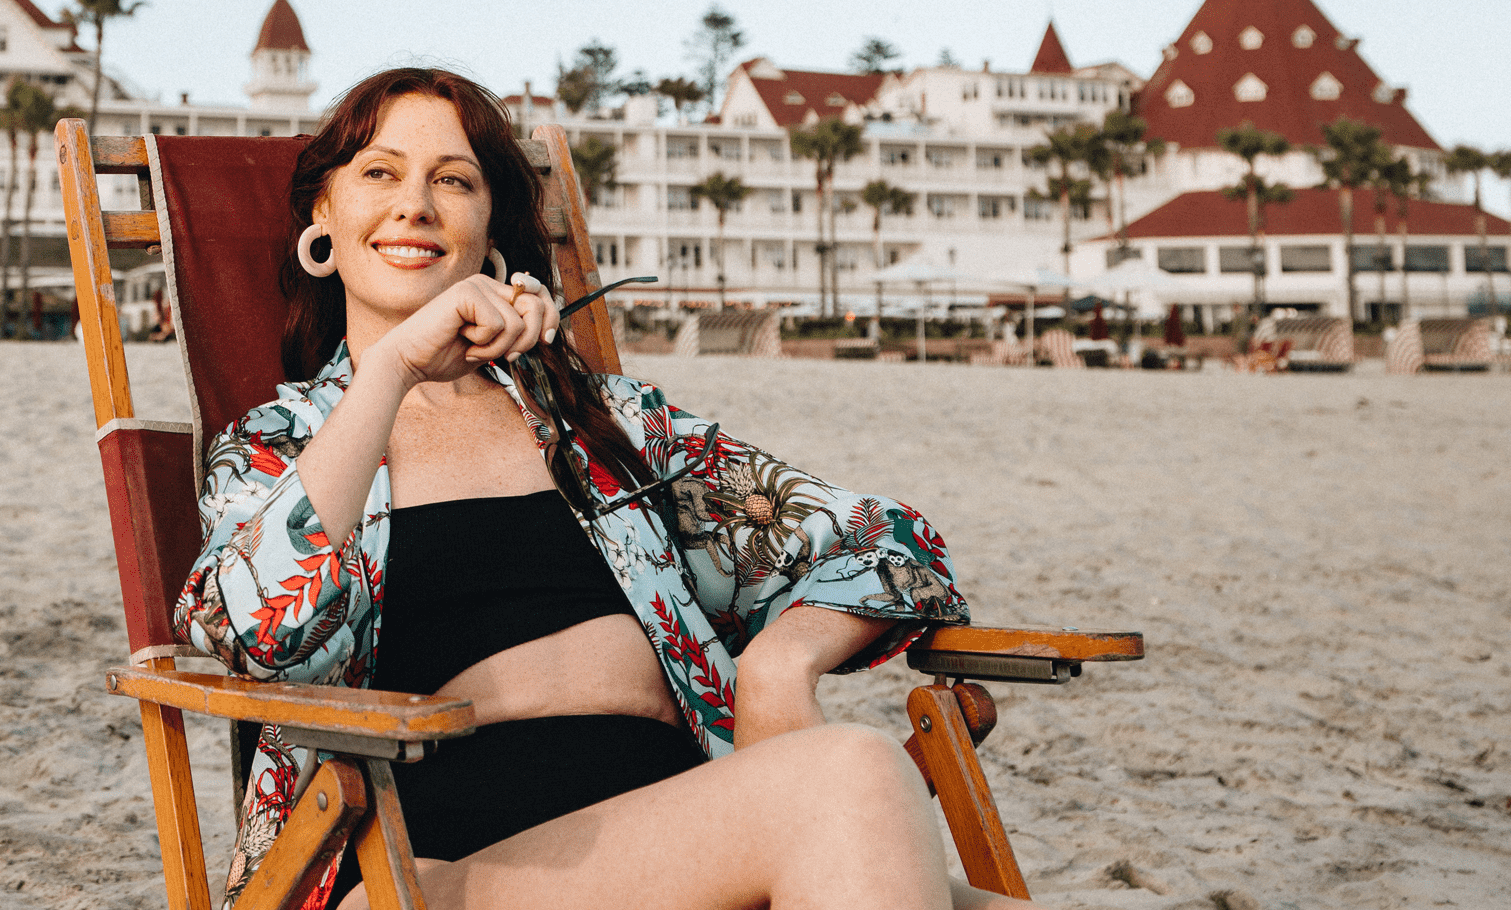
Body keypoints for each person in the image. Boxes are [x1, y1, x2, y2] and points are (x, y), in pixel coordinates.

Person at [175, 68, 1025, 910]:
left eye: (454, 180)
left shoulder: (607, 426)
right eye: (379, 172)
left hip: (686, 843)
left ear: (489, 229)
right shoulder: (278, 447)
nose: (416, 205)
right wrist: (392, 367)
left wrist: (780, 663)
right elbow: (255, 636)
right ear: (322, 216)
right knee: (851, 773)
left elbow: (890, 542)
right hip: (415, 868)